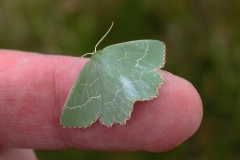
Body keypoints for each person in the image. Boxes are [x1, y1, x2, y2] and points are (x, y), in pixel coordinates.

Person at [0, 50, 203, 160]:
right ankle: (138, 92)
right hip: (127, 81)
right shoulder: (107, 55)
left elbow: (155, 49)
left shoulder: (90, 68)